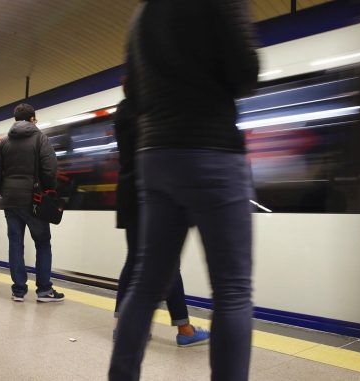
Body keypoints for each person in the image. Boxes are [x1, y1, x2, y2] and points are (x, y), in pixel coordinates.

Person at [109, 1, 259, 380]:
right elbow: (245, 72)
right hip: (213, 150)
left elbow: (137, 97)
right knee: (232, 291)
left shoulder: (141, 16)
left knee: (145, 285)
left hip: (156, 157)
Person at [113, 93, 209, 346]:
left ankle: (124, 325)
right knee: (167, 262)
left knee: (134, 260)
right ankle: (185, 329)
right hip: (154, 194)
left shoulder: (123, 110)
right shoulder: (152, 107)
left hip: (130, 196)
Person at [0, 104, 64, 302]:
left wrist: (0, 190)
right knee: (42, 243)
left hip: (10, 201)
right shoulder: (40, 138)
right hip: (33, 200)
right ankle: (44, 290)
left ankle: (18, 290)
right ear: (32, 119)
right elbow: (50, 168)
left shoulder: (4, 143)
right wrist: (49, 190)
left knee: (15, 243)